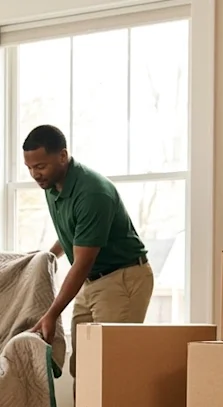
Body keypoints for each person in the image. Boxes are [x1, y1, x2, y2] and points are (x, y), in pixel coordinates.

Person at [22, 124, 154, 382]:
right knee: (82, 367)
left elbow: (82, 262)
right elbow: (71, 232)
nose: (35, 174)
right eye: (29, 168)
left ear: (62, 155)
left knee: (111, 369)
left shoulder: (92, 192)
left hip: (121, 279)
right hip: (92, 282)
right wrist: (47, 258)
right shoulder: (52, 187)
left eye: (40, 166)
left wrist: (52, 313)